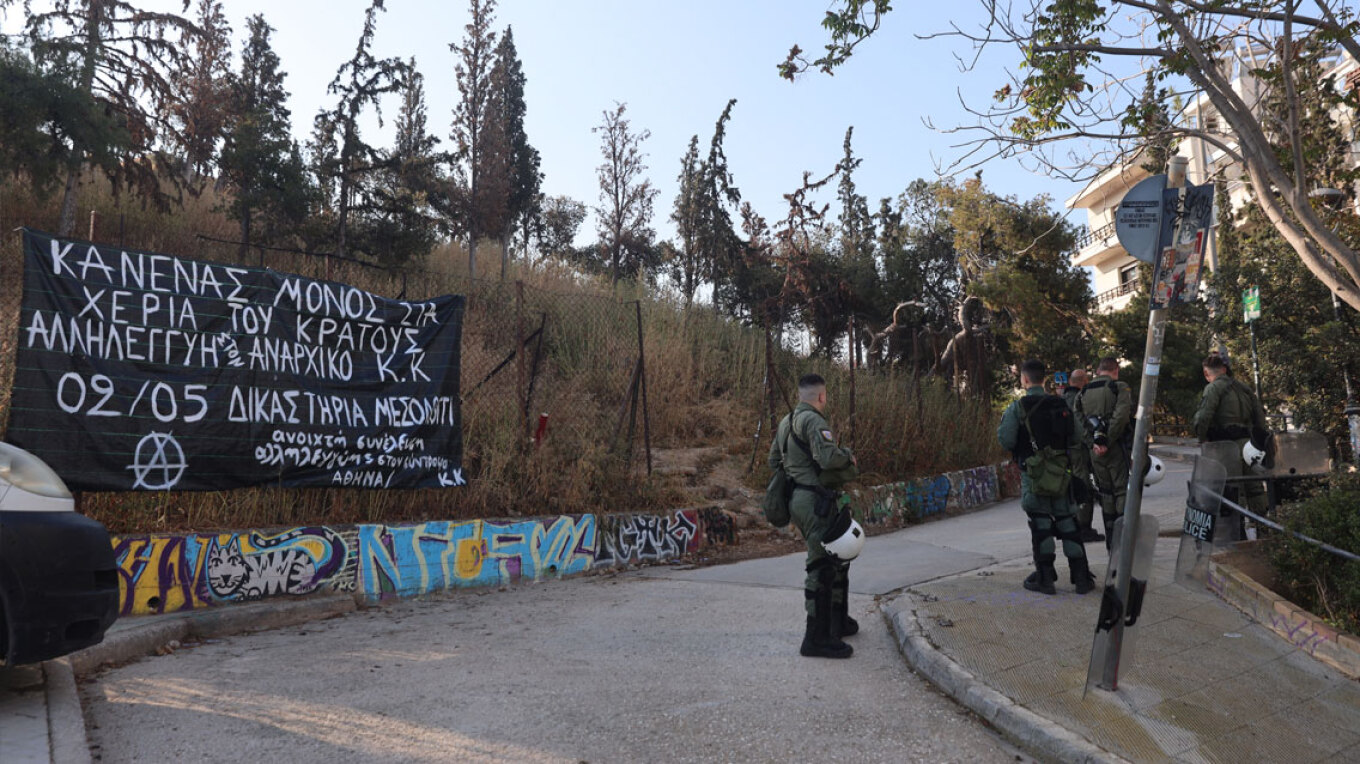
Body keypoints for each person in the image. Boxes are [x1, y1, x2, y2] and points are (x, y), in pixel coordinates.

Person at [768, 373, 860, 659]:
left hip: (799, 498)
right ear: (821, 396)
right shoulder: (814, 421)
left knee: (836, 560)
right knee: (820, 565)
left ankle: (837, 622)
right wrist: (847, 456)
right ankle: (816, 638)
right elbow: (828, 458)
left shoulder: (786, 422)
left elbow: (774, 460)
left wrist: (798, 471)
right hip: (816, 501)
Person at [998, 360, 1096, 595]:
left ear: (1024, 379)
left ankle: (1045, 577)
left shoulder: (1017, 408)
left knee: (1041, 523)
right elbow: (1078, 436)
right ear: (1045, 379)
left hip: (1034, 475)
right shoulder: (1061, 404)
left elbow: (1006, 440)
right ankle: (1081, 577)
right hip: (1062, 472)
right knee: (1068, 522)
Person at [1192, 353, 1269, 539]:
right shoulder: (1244, 389)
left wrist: (1202, 437)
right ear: (1225, 369)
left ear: (1206, 372)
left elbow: (1203, 417)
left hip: (1227, 447)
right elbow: (1260, 419)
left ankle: (1238, 536)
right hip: (1250, 446)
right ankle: (1265, 532)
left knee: (1234, 491)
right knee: (1255, 490)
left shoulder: (1213, 388)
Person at [1076, 356, 1132, 551]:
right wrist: (1108, 440)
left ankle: (1111, 541)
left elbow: (1079, 420)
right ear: (1115, 370)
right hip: (1116, 448)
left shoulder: (1083, 392)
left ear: (1099, 370)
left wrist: (1093, 442)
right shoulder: (1119, 387)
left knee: (1105, 492)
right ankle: (1123, 539)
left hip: (1096, 452)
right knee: (1121, 490)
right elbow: (1122, 416)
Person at [1062, 368, 1103, 544]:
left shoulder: (1062, 399)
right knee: (1084, 487)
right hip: (1079, 450)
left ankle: (1077, 525)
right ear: (1083, 382)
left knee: (1076, 487)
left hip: (1067, 451)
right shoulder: (1079, 399)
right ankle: (1083, 527)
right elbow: (1083, 426)